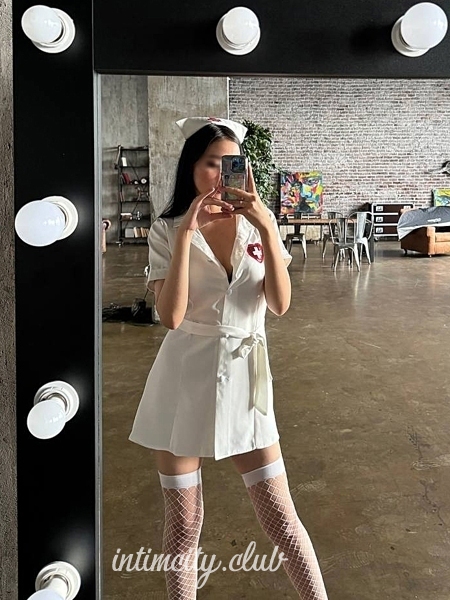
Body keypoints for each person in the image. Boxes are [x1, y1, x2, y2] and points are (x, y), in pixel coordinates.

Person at [129, 116, 328, 599]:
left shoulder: (260, 225)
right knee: (184, 524)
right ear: (191, 167)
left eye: (232, 164)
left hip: (246, 379)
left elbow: (279, 304)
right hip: (182, 379)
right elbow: (171, 316)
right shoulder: (166, 229)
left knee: (281, 518)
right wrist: (185, 235)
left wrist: (266, 226)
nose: (221, 175)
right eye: (211, 164)